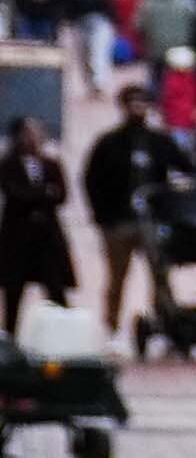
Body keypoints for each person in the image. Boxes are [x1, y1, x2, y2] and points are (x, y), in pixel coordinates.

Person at [80, 81, 164, 338]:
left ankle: (163, 323)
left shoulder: (159, 142)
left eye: (143, 104)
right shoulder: (108, 143)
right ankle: (111, 326)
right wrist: (101, 216)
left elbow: (183, 169)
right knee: (117, 278)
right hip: (117, 221)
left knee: (161, 274)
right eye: (133, 104)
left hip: (152, 221)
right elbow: (91, 180)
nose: (138, 109)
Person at [0, 113, 71, 323]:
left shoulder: (51, 164)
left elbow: (61, 195)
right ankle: (10, 335)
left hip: (47, 235)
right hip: (17, 235)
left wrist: (36, 194)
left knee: (55, 286)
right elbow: (14, 193)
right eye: (27, 133)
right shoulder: (8, 165)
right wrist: (42, 193)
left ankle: (63, 330)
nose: (33, 138)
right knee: (13, 291)